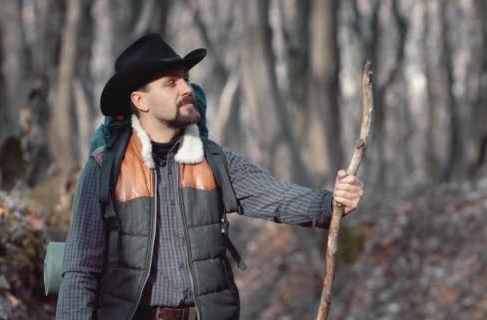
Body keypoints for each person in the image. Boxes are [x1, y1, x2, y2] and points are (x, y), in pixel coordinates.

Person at [55, 33, 364, 320]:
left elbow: (277, 197)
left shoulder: (213, 159)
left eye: (186, 79)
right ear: (140, 101)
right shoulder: (104, 168)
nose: (187, 89)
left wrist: (332, 201)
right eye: (171, 83)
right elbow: (80, 268)